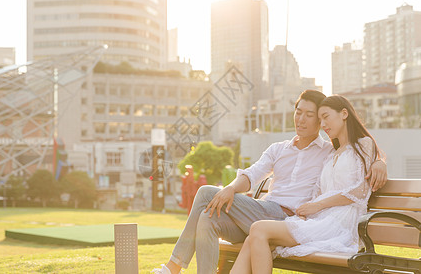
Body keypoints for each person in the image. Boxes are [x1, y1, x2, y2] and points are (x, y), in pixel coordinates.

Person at [152, 90, 387, 274]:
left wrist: (379, 161)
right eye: (298, 112)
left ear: (320, 122)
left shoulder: (327, 151)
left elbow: (359, 155)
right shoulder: (278, 149)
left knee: (204, 193)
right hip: (262, 211)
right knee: (208, 218)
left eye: (310, 115)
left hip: (288, 217)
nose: (301, 119)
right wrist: (232, 189)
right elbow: (252, 175)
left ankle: (173, 267)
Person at [230, 95, 383, 274]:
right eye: (320, 120)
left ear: (343, 114)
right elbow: (318, 192)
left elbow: (360, 192)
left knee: (258, 228)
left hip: (339, 223)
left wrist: (380, 162)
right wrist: (307, 210)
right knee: (253, 237)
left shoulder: (364, 144)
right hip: (318, 219)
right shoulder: (331, 154)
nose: (323, 125)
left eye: (326, 117)